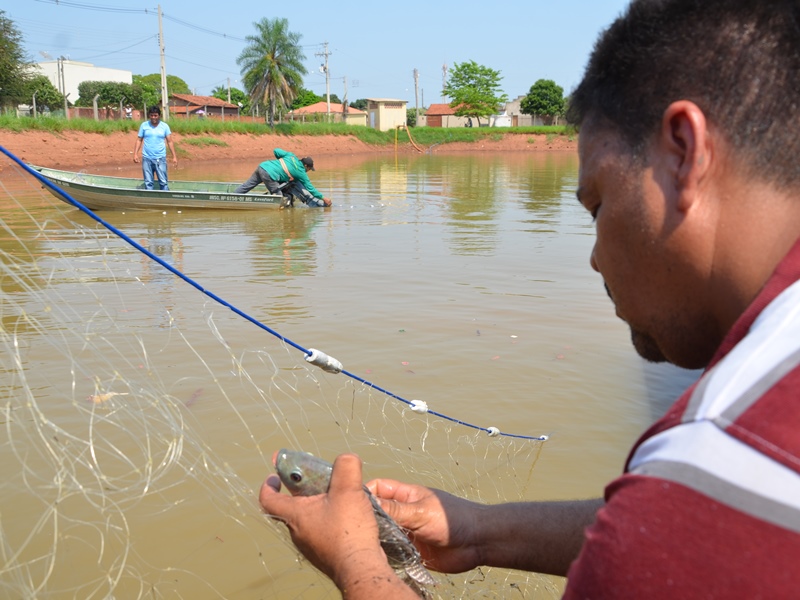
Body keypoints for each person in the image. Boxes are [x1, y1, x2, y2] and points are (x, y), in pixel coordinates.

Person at [259, 1, 800, 598]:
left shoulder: (728, 446)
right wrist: (482, 533)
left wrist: (357, 561)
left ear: (683, 152)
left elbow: (677, 517)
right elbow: (684, 530)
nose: (593, 256)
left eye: (596, 205)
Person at [235, 148, 332, 208]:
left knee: (247, 186)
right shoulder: (301, 172)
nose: (308, 171)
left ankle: (233, 197)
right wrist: (323, 198)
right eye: (309, 169)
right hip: (270, 175)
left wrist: (280, 165)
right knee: (279, 199)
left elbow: (276, 150)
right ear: (306, 166)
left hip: (263, 166)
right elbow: (310, 188)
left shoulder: (291, 156)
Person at [133, 106, 178, 191]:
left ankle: (165, 199)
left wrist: (174, 156)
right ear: (149, 116)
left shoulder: (164, 126)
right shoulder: (144, 125)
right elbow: (139, 140)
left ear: (159, 116)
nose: (153, 117)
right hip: (147, 159)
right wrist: (135, 154)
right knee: (148, 182)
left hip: (160, 159)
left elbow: (170, 141)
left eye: (155, 115)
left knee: (163, 182)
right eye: (152, 115)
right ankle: (150, 200)